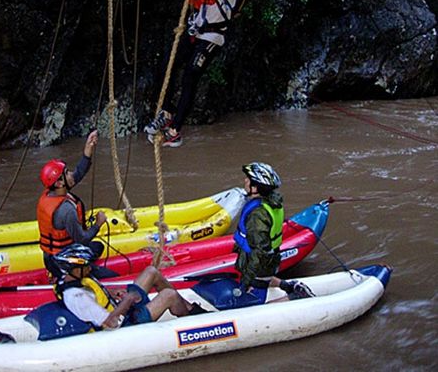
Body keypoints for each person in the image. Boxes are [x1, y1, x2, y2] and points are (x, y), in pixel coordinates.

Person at [144, 0, 255, 147]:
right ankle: (165, 112)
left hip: (212, 38)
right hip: (196, 32)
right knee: (167, 65)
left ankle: (174, 130)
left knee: (191, 77)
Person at [53, 244, 209, 331]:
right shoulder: (76, 297)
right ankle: (194, 323)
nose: (90, 268)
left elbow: (95, 293)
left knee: (151, 271)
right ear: (72, 268)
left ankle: (189, 309)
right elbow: (110, 323)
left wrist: (113, 294)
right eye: (86, 266)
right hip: (126, 324)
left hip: (122, 310)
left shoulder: (74, 278)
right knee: (169, 295)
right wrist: (127, 301)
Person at [232, 161, 315, 305]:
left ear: (256, 187)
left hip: (261, 263)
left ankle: (293, 298)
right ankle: (289, 286)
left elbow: (259, 251)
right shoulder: (271, 202)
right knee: (263, 277)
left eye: (248, 179)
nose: (245, 181)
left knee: (250, 304)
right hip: (270, 259)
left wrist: (247, 280)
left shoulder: (257, 215)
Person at [36, 130, 108, 279]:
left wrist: (87, 151)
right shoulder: (66, 210)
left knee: (98, 247)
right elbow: (82, 239)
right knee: (110, 275)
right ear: (59, 182)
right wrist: (98, 224)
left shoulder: (53, 192)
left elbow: (79, 173)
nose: (71, 174)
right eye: (67, 172)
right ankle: (64, 275)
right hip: (63, 259)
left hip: (52, 254)